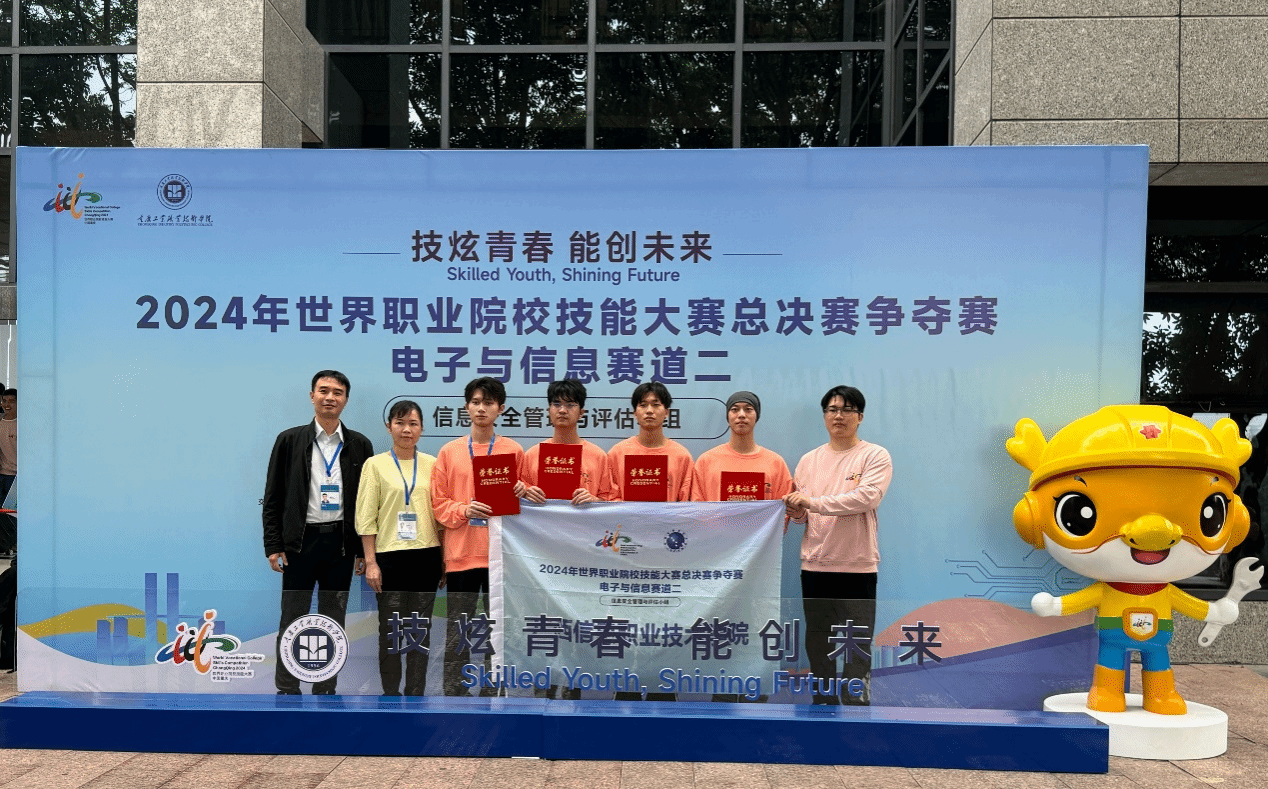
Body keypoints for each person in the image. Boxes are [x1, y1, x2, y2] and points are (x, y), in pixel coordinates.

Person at [262, 370, 374, 695]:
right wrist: (273, 544)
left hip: (340, 545)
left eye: (337, 392)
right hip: (299, 544)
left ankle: (325, 688)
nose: (330, 397)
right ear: (312, 395)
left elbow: (366, 503)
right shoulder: (289, 440)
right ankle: (287, 688)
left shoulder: (359, 445)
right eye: (323, 391)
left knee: (333, 620)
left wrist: (361, 550)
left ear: (345, 400)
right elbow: (273, 496)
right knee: (292, 616)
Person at [783, 385, 892, 705]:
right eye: (832, 409)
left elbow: (866, 498)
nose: (838, 416)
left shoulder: (874, 455)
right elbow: (804, 516)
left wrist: (813, 503)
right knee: (819, 640)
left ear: (860, 416)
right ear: (824, 416)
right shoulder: (809, 460)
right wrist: (797, 511)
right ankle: (823, 702)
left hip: (857, 564)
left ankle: (856, 704)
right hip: (816, 564)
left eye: (847, 410)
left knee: (857, 640)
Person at [431, 377, 525, 696]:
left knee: (496, 629)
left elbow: (528, 504)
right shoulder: (449, 452)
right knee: (459, 627)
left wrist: (522, 490)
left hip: (501, 557)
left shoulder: (513, 450)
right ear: (466, 407)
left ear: (501, 408)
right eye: (475, 402)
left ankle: (493, 689)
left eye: (488, 402)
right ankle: (454, 692)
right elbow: (439, 504)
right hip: (461, 555)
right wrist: (464, 509)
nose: (481, 408)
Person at [356, 400, 443, 696]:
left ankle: (415, 695)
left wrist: (444, 559)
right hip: (389, 558)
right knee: (391, 630)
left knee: (420, 630)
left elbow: (440, 516)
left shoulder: (433, 464)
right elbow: (366, 517)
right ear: (389, 427)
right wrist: (371, 562)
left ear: (421, 429)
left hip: (427, 556)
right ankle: (390, 696)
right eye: (400, 423)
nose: (407, 430)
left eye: (413, 424)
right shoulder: (375, 465)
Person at [520, 379, 616, 506]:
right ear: (549, 410)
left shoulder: (599, 456)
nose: (562, 410)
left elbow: (610, 500)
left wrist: (594, 501)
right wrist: (526, 494)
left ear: (581, 413)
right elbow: (520, 494)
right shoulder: (532, 454)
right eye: (556, 404)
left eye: (570, 404)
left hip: (583, 519)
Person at [691, 391, 792, 504]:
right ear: (728, 417)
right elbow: (696, 508)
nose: (741, 415)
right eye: (735, 409)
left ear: (756, 416)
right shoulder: (706, 461)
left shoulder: (776, 463)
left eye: (748, 409)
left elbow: (784, 509)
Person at [607, 382, 694, 503]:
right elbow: (608, 498)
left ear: (666, 412)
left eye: (656, 405)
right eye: (643, 405)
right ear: (634, 413)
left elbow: (687, 504)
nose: (649, 410)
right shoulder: (617, 453)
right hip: (626, 516)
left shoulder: (682, 456)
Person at [0, 389, 16, 505]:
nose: (7, 404)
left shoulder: (23, 425)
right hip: (2, 475)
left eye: (11, 401)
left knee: (12, 511)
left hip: (17, 477)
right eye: (4, 401)